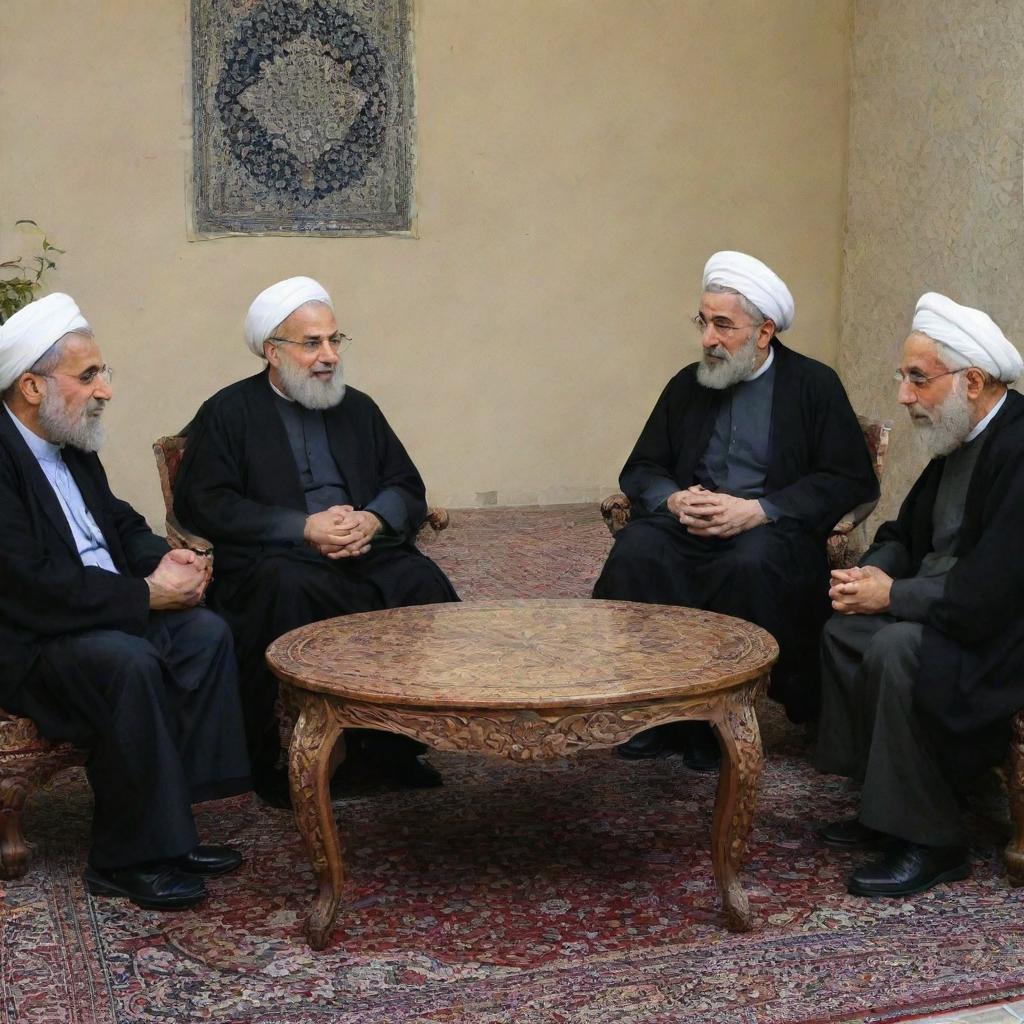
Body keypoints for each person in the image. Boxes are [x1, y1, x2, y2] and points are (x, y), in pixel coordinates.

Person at [0, 294, 250, 910]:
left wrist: (164, 561)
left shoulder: (70, 441)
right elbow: (26, 583)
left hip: (100, 609)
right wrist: (143, 595)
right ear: (31, 386)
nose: (105, 389)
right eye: (88, 376)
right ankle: (124, 858)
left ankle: (174, 829)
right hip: (33, 638)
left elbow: (119, 521)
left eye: (102, 373)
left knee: (204, 633)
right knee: (127, 663)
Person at [173, 277, 458, 806]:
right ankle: (283, 759)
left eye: (334, 340)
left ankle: (390, 749)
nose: (328, 356)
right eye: (312, 343)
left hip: (365, 552)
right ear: (272, 351)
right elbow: (205, 503)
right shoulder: (229, 412)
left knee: (418, 580)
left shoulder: (359, 408)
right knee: (288, 588)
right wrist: (302, 528)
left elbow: (405, 485)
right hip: (278, 559)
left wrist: (373, 520)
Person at [593, 251, 878, 768]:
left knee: (745, 566)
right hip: (690, 525)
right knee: (638, 549)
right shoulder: (689, 383)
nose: (708, 339)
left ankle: (716, 723)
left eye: (723, 325)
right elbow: (643, 468)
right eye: (704, 323)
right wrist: (674, 498)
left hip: (772, 532)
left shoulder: (813, 386)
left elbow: (848, 478)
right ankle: (653, 712)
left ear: (764, 332)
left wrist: (761, 509)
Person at [817, 292, 1024, 897]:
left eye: (918, 379)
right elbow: (903, 532)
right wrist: (869, 576)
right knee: (842, 629)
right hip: (948, 606)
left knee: (896, 648)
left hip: (1001, 630)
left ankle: (933, 840)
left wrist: (894, 597)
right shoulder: (956, 438)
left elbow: (993, 592)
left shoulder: (1019, 448)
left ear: (974, 382)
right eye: (903, 377)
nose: (904, 395)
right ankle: (883, 804)